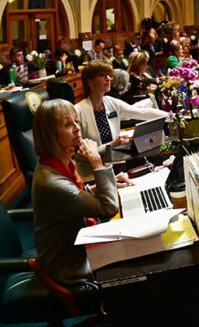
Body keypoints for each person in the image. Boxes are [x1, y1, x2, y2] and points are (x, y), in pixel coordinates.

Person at [31, 99, 122, 284]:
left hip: (77, 244)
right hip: (69, 265)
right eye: (67, 124)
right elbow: (109, 207)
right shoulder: (52, 183)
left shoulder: (59, 162)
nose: (76, 128)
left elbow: (74, 195)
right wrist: (96, 162)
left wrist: (106, 185)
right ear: (50, 135)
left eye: (76, 121)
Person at [75, 60, 168, 151]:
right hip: (92, 165)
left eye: (109, 75)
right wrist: (112, 144)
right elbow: (80, 151)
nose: (108, 78)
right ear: (89, 82)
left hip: (114, 160)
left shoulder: (111, 102)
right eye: (102, 75)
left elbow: (143, 113)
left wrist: (170, 116)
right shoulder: (78, 110)